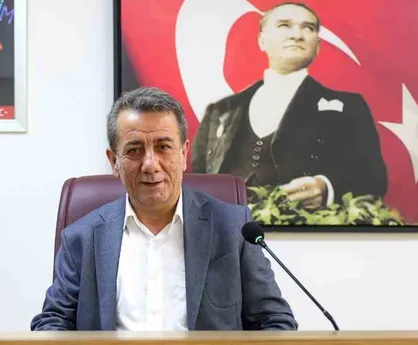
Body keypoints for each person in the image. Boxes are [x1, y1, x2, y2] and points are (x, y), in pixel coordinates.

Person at [30, 87, 298, 331]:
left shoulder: (233, 229)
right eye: (134, 150)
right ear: (114, 161)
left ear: (184, 154)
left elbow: (275, 321)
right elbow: (52, 323)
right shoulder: (81, 238)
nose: (150, 164)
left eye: (163, 147)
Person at [190, 2, 388, 210]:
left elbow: (374, 179)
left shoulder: (349, 108)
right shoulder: (221, 110)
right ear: (262, 41)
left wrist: (326, 188)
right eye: (284, 25)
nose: (297, 35)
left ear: (318, 46)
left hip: (305, 228)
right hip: (228, 226)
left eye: (308, 28)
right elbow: (197, 182)